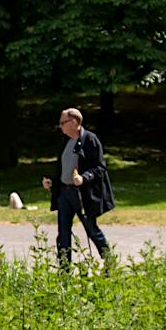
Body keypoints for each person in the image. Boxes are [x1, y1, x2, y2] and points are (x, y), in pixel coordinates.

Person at [41, 106, 113, 265]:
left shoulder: (89, 139)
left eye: (62, 122)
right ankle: (64, 270)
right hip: (64, 194)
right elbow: (63, 168)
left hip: (82, 195)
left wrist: (84, 178)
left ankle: (109, 262)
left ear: (74, 122)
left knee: (92, 229)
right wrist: (52, 182)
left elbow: (100, 167)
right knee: (63, 234)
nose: (60, 126)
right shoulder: (66, 141)